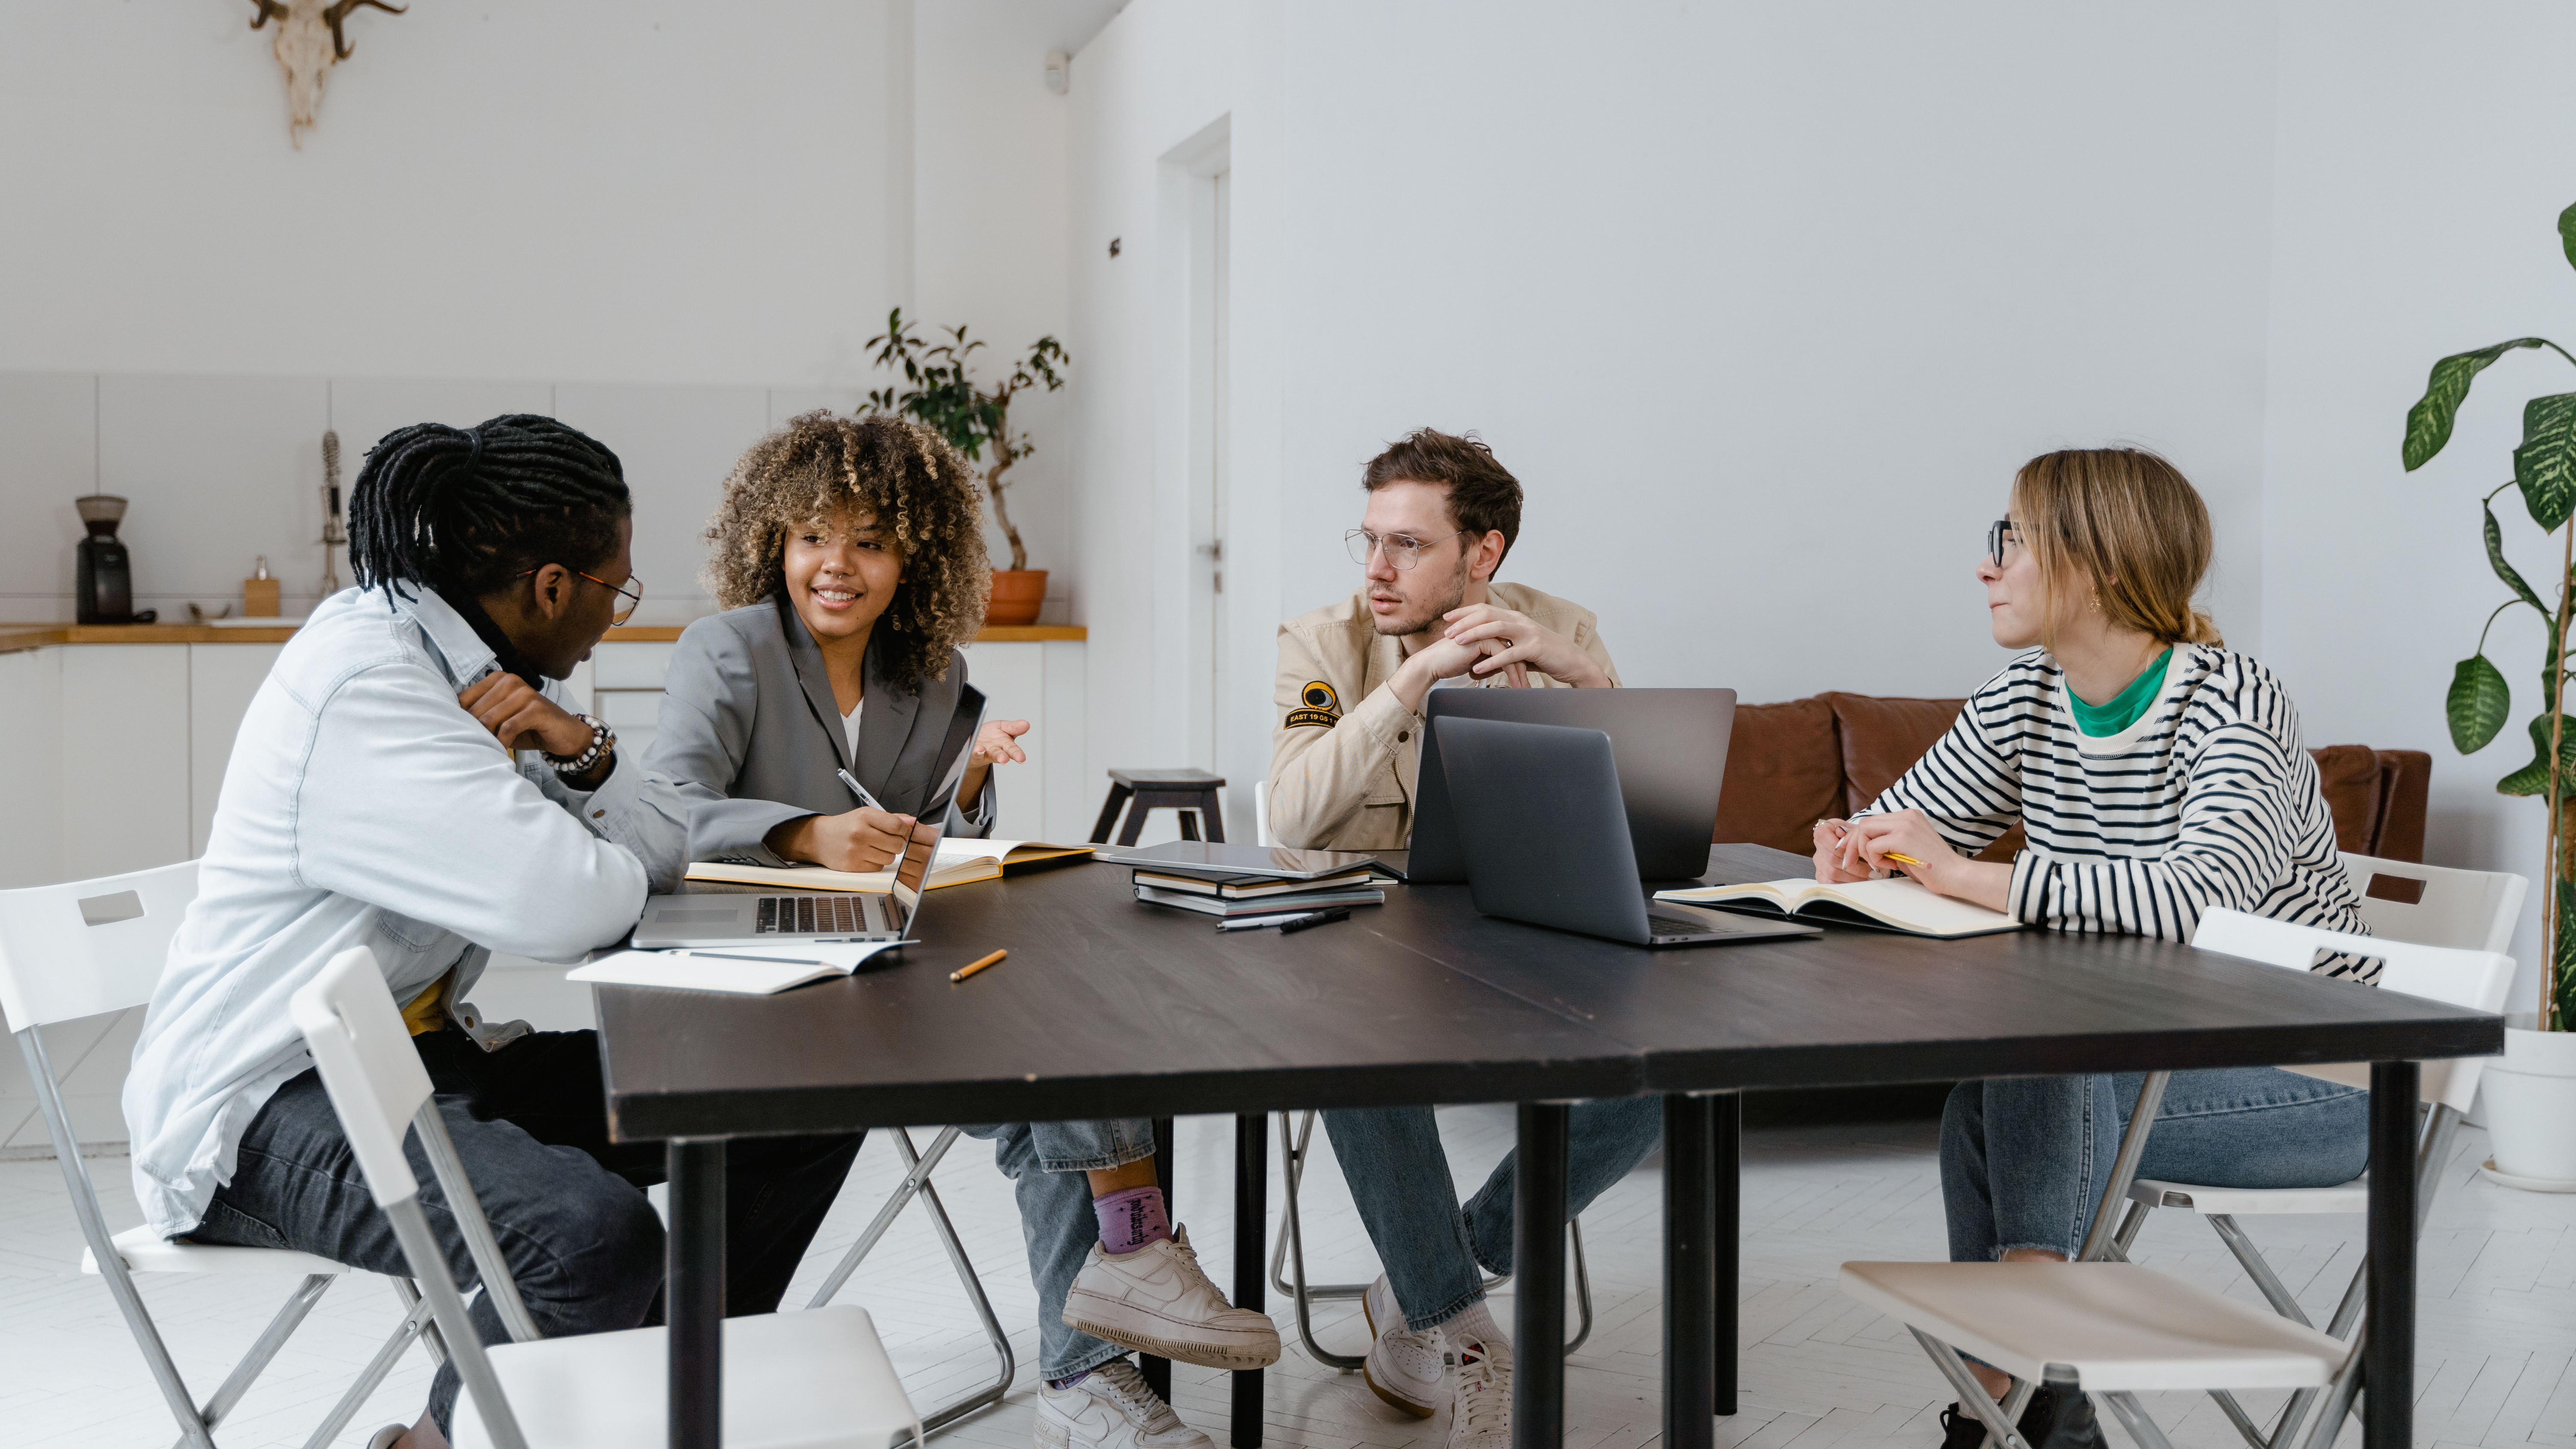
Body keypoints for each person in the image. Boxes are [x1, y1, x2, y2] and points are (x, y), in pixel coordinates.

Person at [124, 416, 863, 1449]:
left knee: (797, 1101)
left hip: (424, 1064)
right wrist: (574, 822)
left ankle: (650, 1396)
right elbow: (578, 909)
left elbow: (657, 857)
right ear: (553, 585)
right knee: (588, 1237)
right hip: (266, 1107)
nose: (618, 614)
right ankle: (437, 1442)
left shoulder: (494, 674)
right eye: (619, 588)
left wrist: (588, 752)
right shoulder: (375, 686)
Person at [649, 411, 1277, 1449]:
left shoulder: (930, 671)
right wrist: (806, 833)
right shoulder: (729, 649)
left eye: (869, 540)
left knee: (1056, 1043)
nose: (835, 567)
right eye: (813, 536)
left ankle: (1091, 1363)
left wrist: (969, 779)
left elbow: (926, 842)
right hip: (759, 966)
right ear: (775, 541)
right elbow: (666, 808)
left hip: (890, 968)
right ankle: (1127, 1273)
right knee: (1049, 1065)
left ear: (914, 554)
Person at [1816, 448, 2369, 1449]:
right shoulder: (2027, 694)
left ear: (2103, 564)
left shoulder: (2232, 700)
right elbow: (1914, 822)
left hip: (2320, 1074)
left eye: (2012, 541)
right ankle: (2034, 1393)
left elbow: (2196, 894)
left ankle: (2010, 1382)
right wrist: (1862, 848)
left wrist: (1966, 874)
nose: (1988, 566)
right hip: (2146, 1056)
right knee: (1993, 1096)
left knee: (2040, 1059)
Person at [1267, 428, 1656, 1449]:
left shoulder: (1563, 628)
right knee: (1360, 1051)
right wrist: (1415, 678)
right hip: (1363, 938)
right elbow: (1292, 818)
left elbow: (1637, 817)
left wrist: (1576, 672)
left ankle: (1426, 1273)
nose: (1376, 569)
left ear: (1482, 554)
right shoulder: (1321, 643)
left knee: (1673, 1071)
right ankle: (1460, 1330)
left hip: (1514, 933)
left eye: (1407, 545)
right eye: (1369, 541)